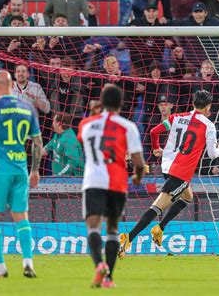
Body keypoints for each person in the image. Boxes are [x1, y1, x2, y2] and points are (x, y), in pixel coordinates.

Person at [118, 90, 219, 258]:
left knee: (187, 196)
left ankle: (160, 228)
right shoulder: (208, 125)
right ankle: (128, 237)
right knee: (158, 206)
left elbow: (154, 132)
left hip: (167, 167)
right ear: (208, 107)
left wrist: (155, 148)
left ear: (193, 103)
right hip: (181, 172)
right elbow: (212, 154)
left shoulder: (176, 117)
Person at [0, 70, 43, 278]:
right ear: (12, 85)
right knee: (21, 215)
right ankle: (28, 262)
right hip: (21, 170)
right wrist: (35, 171)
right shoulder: (27, 107)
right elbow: (37, 142)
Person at [77, 85, 145, 288]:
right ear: (122, 104)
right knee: (113, 229)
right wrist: (137, 178)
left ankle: (99, 265)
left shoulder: (86, 124)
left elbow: (83, 135)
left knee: (93, 227)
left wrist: (93, 113)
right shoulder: (128, 127)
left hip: (93, 182)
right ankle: (109, 279)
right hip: (117, 182)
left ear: (101, 101)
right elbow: (140, 163)